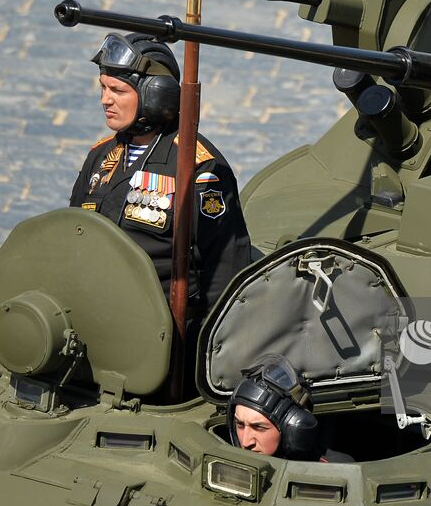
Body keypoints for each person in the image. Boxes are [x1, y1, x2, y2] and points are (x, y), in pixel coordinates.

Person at [69, 33, 252, 311]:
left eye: (118, 91)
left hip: (161, 331)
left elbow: (225, 270)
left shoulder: (199, 168)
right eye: (103, 88)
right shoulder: (100, 156)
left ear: (155, 95)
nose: (105, 100)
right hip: (96, 315)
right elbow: (72, 235)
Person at [229, 354, 347, 461]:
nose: (245, 442)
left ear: (293, 428)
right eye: (240, 425)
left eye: (258, 427)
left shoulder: (335, 470)